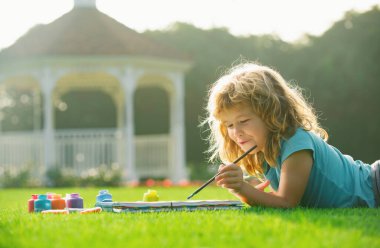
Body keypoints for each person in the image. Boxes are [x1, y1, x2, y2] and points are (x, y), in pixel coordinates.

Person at [204, 61, 379, 208]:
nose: (236, 132)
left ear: (271, 114)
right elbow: (283, 198)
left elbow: (287, 202)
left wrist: (241, 187)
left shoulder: (296, 142)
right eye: (229, 125)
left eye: (243, 121)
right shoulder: (266, 151)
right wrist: (249, 191)